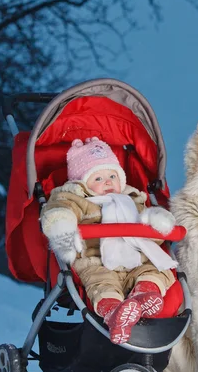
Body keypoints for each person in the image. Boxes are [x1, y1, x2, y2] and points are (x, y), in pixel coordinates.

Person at [41, 137, 177, 344]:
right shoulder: (78, 200)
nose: (107, 182)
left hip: (137, 260)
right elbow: (58, 211)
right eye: (97, 178)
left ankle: (144, 295)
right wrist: (62, 224)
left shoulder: (132, 200)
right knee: (102, 284)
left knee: (157, 272)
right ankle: (113, 312)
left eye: (112, 175)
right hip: (97, 262)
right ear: (81, 183)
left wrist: (156, 223)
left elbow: (152, 238)